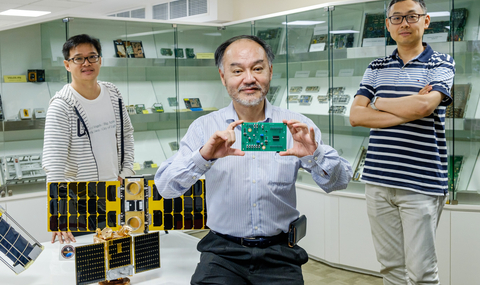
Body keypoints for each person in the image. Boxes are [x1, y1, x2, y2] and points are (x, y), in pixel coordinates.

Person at [155, 35, 353, 285]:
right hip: (221, 253)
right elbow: (165, 187)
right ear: (223, 76)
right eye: (237, 70)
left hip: (280, 253)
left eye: (257, 68)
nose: (249, 78)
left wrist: (315, 155)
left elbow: (339, 182)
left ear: (270, 71)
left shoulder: (296, 125)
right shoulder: (204, 127)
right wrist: (203, 157)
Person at [350, 0, 455, 285]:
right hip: (378, 181)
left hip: (421, 182)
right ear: (388, 24)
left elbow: (425, 106)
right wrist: (409, 107)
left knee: (422, 272)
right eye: (397, 18)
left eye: (411, 16)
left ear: (426, 20)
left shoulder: (441, 63)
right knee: (390, 268)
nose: (404, 23)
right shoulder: (376, 67)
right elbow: (356, 116)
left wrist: (379, 102)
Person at [42, 34, 135, 244]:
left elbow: (127, 135)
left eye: (92, 57)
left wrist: (126, 172)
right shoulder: (61, 105)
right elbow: (53, 164)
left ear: (100, 60)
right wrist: (59, 214)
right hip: (80, 201)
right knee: (87, 267)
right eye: (78, 58)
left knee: (118, 262)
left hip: (115, 195)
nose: (86, 63)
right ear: (67, 64)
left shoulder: (113, 94)